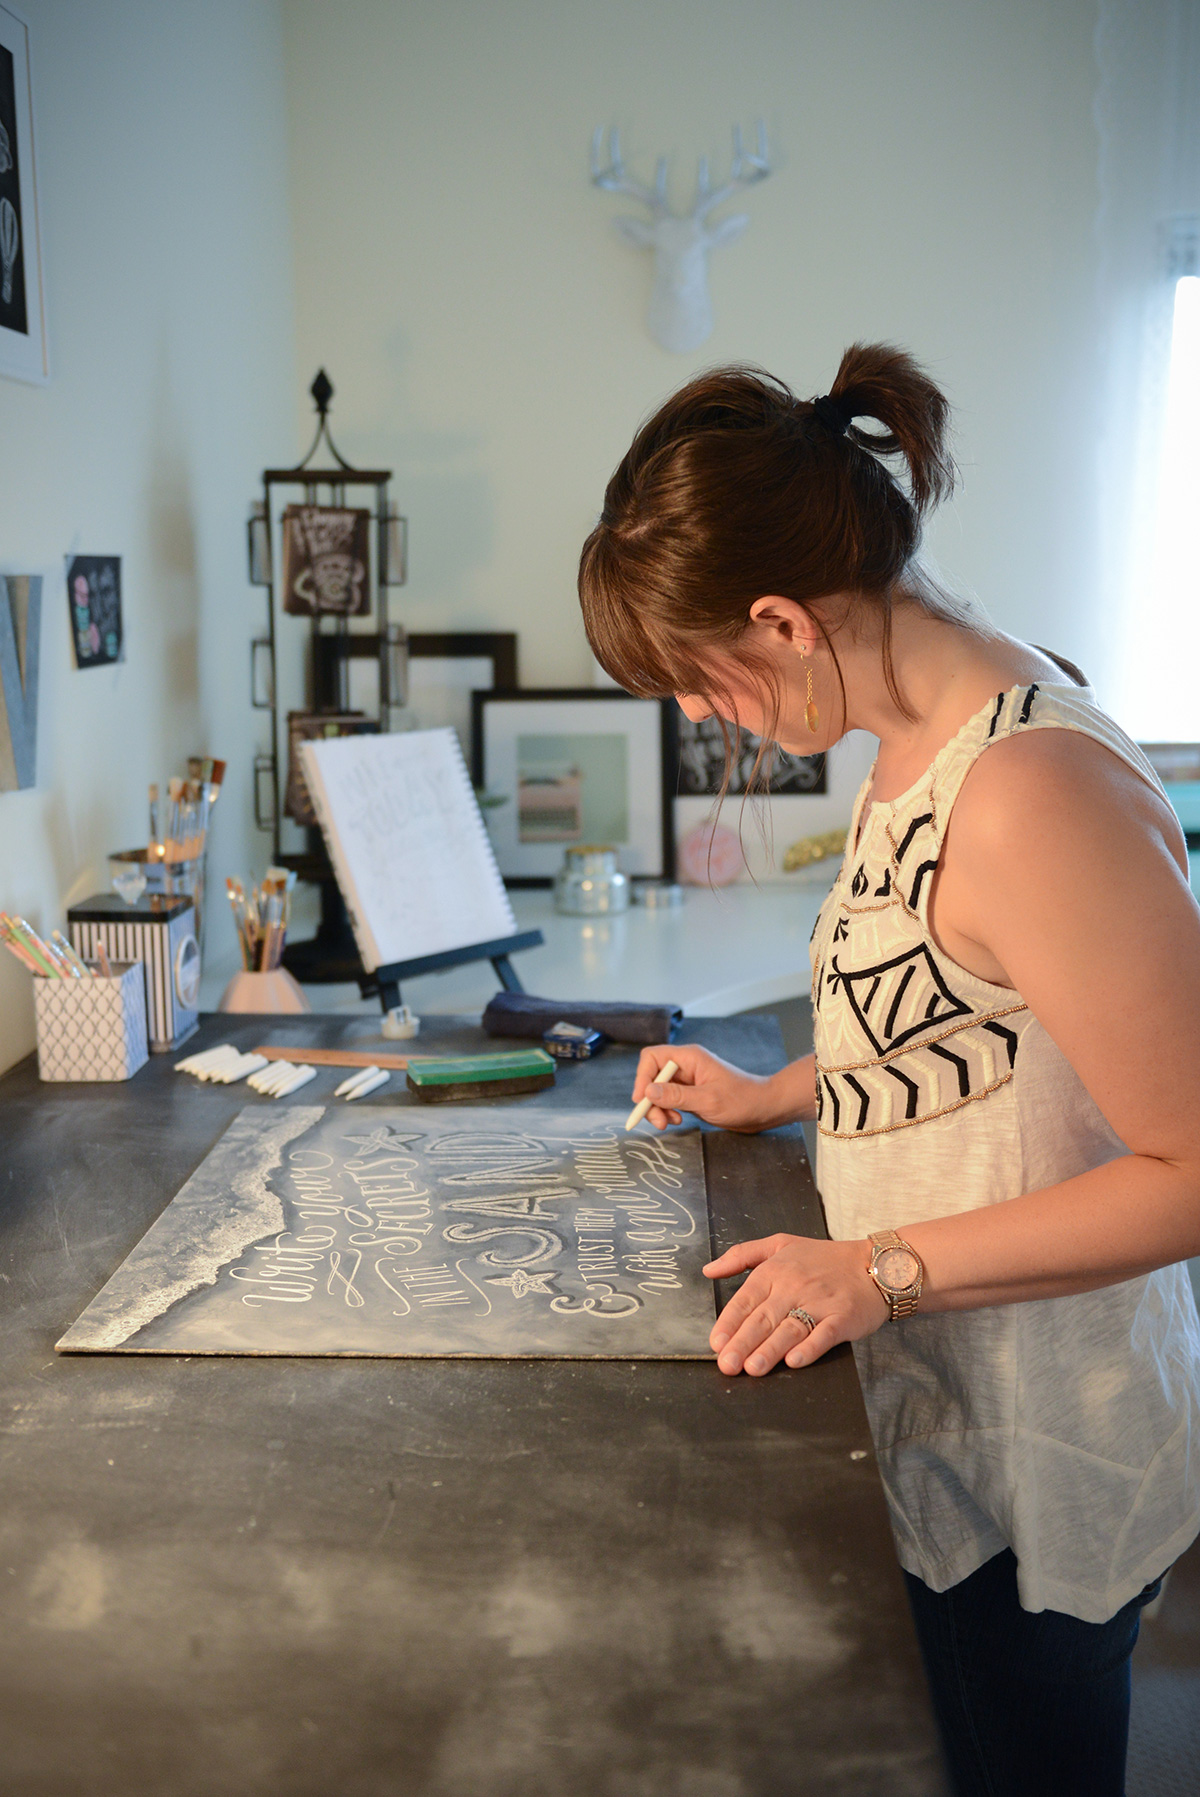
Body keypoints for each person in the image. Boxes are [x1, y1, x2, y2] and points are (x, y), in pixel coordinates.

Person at [577, 344, 1200, 1797]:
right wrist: (773, 1089)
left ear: (784, 619)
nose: (703, 717)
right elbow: (962, 1016)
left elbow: (1191, 1168)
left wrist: (879, 1268)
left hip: (1050, 1427)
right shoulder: (907, 723)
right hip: (945, 1400)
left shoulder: (1032, 790)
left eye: (699, 679)